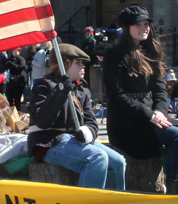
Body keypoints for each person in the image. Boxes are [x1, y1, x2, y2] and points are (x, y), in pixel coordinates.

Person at [102, 5, 178, 195]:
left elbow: (160, 90)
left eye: (146, 24)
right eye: (138, 24)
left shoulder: (149, 52)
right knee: (177, 136)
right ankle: (174, 188)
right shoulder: (114, 55)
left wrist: (160, 112)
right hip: (127, 121)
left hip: (151, 115)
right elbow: (117, 98)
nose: (144, 28)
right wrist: (150, 115)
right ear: (127, 27)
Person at [28, 44, 126, 190]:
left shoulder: (82, 90)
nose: (83, 67)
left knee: (118, 162)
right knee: (97, 158)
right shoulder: (43, 86)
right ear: (64, 64)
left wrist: (87, 133)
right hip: (49, 142)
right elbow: (42, 121)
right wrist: (60, 92)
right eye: (78, 63)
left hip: (75, 140)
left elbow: (91, 123)